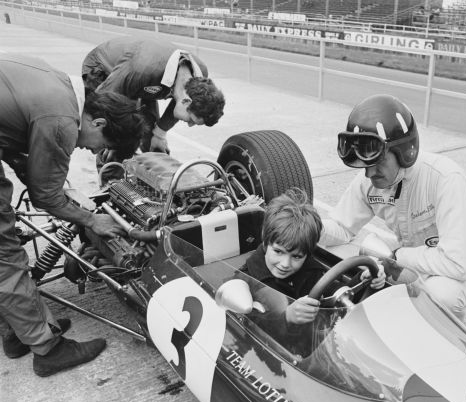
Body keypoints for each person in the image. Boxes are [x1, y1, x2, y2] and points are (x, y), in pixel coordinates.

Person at [0, 54, 147, 377]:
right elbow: (44, 197)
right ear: (99, 123)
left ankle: (18, 332)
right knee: (6, 257)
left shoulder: (62, 87)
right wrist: (92, 219)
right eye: (100, 146)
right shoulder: (60, 121)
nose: (93, 152)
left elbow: (10, 138)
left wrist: (48, 183)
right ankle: (47, 350)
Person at [319, 94, 466, 320]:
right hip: (409, 263)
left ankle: (448, 335)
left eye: (377, 163)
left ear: (404, 151)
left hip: (457, 272)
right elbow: (341, 228)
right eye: (365, 164)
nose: (369, 173)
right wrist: (310, 226)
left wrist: (398, 256)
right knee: (336, 256)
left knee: (441, 295)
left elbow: (460, 264)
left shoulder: (446, 178)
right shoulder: (368, 180)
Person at [238, 188, 385, 355]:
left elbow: (334, 295)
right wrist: (286, 317)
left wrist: (365, 279)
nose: (285, 264)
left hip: (319, 349)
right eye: (278, 252)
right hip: (278, 356)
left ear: (307, 254)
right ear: (265, 243)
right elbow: (244, 325)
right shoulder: (245, 280)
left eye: (297, 256)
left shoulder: (310, 269)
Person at [81, 36, 226, 159]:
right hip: (104, 69)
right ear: (186, 101)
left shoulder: (198, 75)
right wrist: (113, 139)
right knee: (115, 138)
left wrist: (160, 133)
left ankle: (149, 176)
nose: (189, 124)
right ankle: (111, 182)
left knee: (149, 136)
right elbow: (102, 101)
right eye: (192, 120)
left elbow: (177, 105)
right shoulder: (141, 70)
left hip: (149, 80)